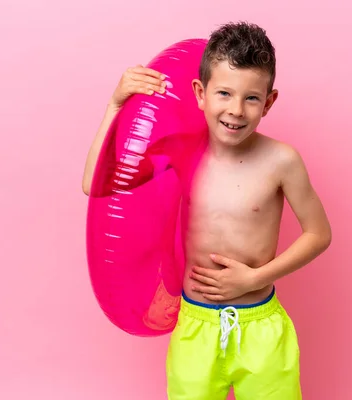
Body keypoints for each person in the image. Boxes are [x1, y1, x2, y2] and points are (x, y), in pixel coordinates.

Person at [82, 21, 332, 400]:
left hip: (260, 325)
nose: (236, 109)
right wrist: (115, 105)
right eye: (225, 93)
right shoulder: (180, 154)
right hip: (195, 326)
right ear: (200, 93)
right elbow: (97, 184)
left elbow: (319, 233)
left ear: (269, 101)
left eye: (251, 98)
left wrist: (255, 278)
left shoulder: (281, 161)